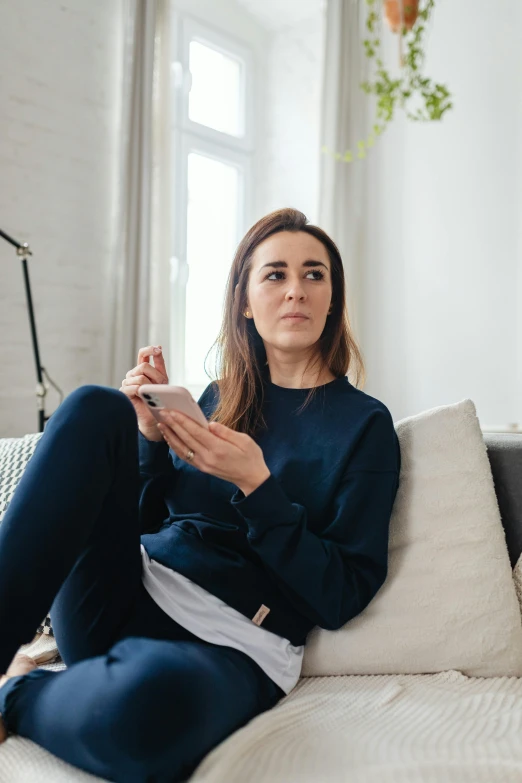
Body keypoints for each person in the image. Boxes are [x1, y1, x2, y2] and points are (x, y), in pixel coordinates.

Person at [0, 207, 401, 782]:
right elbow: (140, 526)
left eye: (314, 275)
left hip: (233, 644)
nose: (296, 291)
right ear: (244, 299)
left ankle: (18, 691)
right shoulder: (218, 398)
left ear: (333, 297)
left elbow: (340, 596)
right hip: (122, 592)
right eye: (275, 275)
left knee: (145, 714)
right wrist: (147, 441)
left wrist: (256, 487)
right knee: (97, 405)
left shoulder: (365, 427)